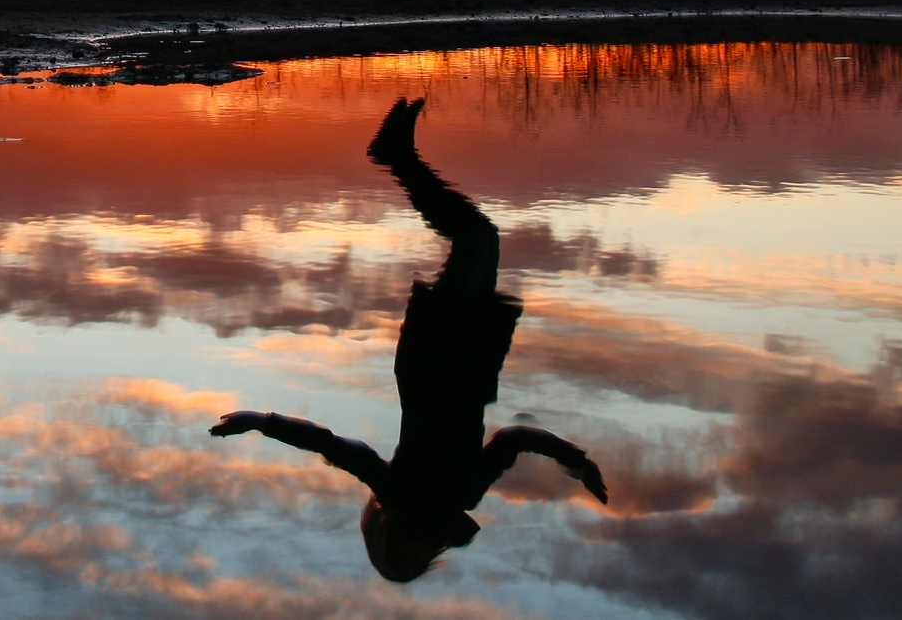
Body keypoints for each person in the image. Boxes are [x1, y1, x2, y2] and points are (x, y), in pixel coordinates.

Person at [209, 97, 608, 583]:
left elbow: (330, 445)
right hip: (471, 359)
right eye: (424, 558)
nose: (426, 547)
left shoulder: (398, 492)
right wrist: (574, 459)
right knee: (482, 238)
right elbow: (513, 439)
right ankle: (396, 154)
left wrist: (260, 421)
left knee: (477, 240)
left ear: (392, 535)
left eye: (410, 551)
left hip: (435, 359)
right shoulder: (464, 496)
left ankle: (394, 155)